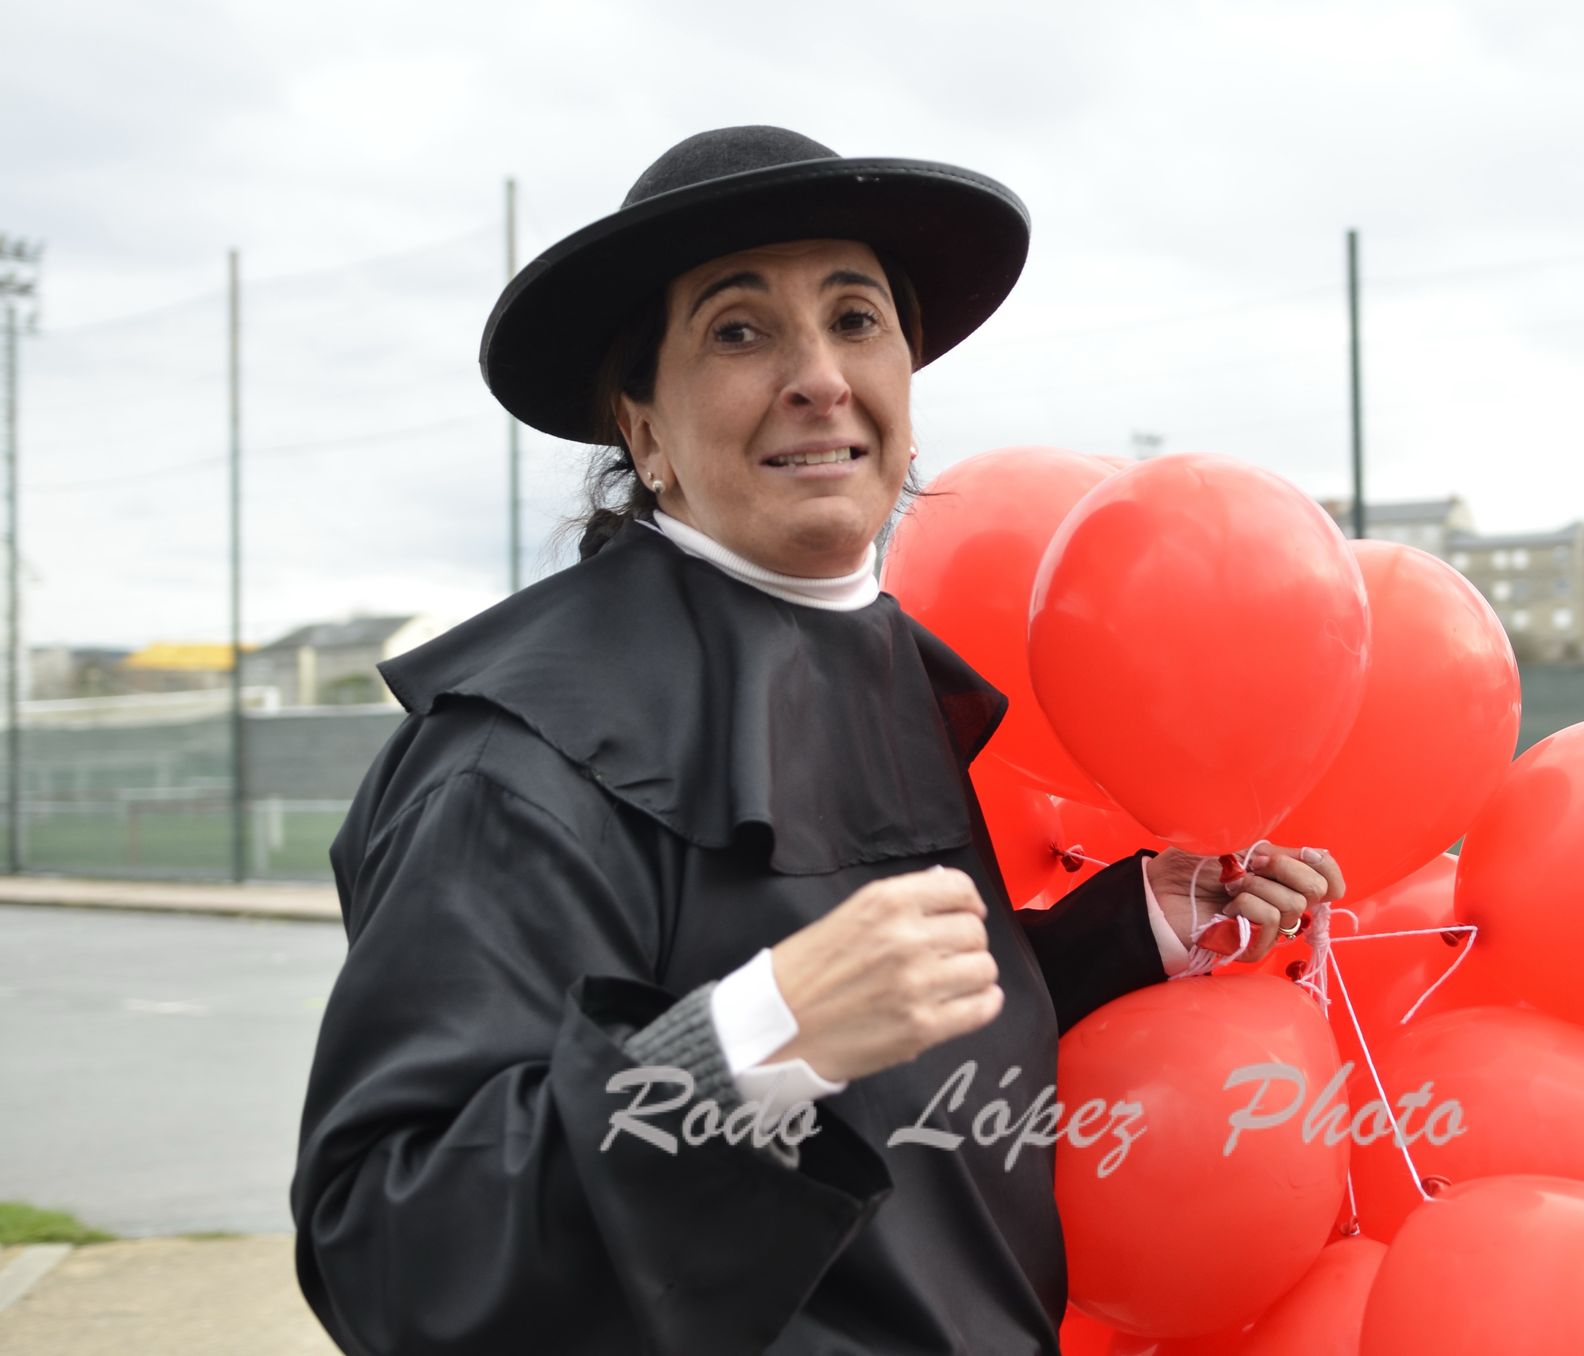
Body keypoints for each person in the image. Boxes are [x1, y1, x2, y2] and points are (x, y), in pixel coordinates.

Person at [289, 125, 1345, 1356]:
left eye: (855, 321)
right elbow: (391, 1249)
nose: (818, 377)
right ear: (641, 428)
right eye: (738, 332)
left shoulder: (881, 669)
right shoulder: (516, 762)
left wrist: (1138, 928)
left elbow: (891, 1062)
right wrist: (743, 1049)